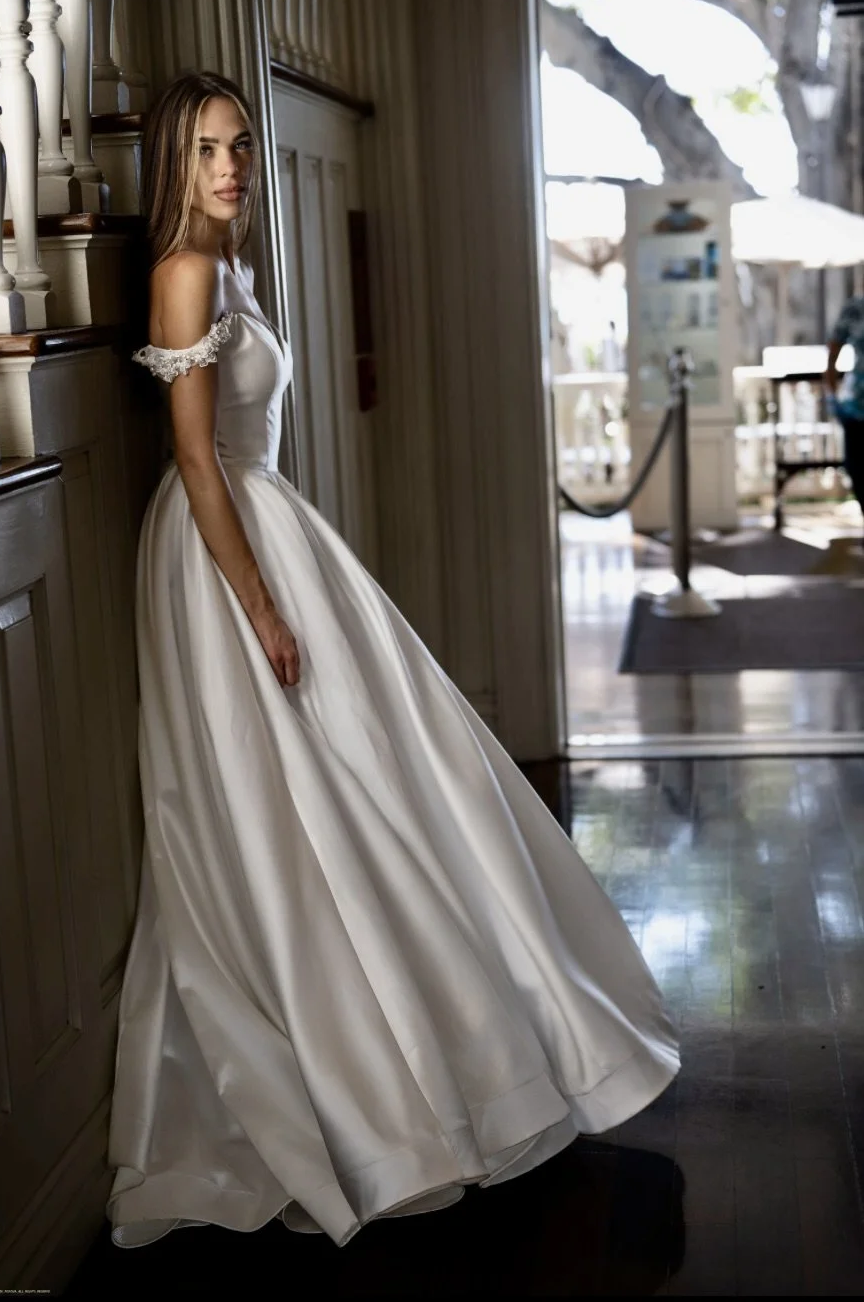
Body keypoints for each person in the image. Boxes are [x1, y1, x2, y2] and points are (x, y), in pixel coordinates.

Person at [107, 71, 679, 1249]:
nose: (230, 167)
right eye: (207, 149)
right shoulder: (183, 269)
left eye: (241, 145)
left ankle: (449, 1048)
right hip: (223, 549)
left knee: (380, 771)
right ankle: (366, 1079)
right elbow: (199, 459)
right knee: (287, 797)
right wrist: (260, 605)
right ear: (171, 161)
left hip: (269, 523)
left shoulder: (231, 267)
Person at [825, 294, 864, 535]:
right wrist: (832, 396)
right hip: (857, 407)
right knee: (857, 468)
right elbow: (832, 352)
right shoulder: (855, 308)